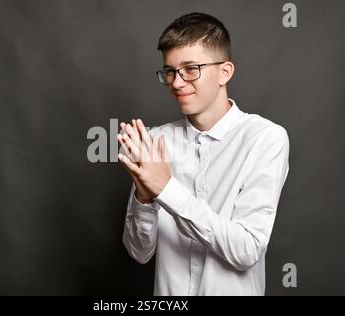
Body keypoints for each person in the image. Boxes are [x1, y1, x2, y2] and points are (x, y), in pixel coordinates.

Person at [117, 12, 290, 296]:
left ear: (225, 72)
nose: (176, 82)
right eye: (169, 71)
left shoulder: (265, 139)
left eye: (190, 69)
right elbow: (139, 252)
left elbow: (246, 250)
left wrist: (165, 189)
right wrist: (144, 198)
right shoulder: (157, 140)